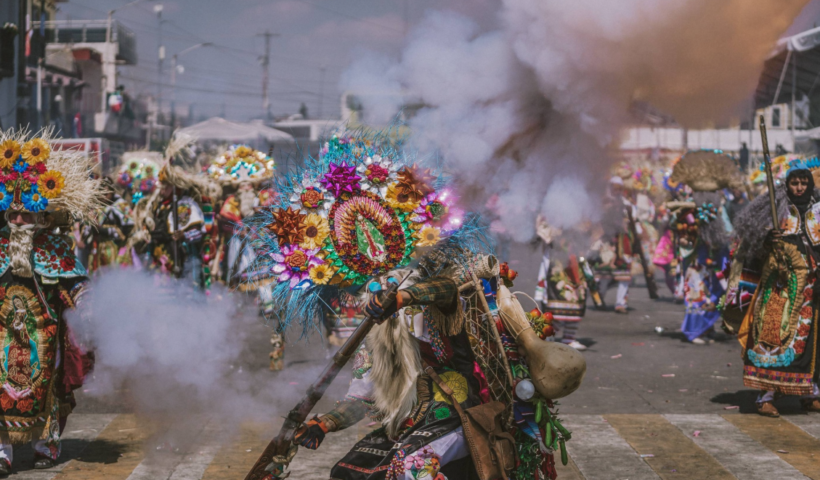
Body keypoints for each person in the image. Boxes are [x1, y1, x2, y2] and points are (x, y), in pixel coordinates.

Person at [0, 131, 101, 473]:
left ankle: (46, 446)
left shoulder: (54, 249)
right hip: (2, 340)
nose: (17, 221)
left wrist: (86, 306)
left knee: (50, 390)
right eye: (12, 214)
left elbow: (77, 283)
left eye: (25, 215)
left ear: (43, 217)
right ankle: (2, 454)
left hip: (45, 339)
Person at [730, 162, 820, 417]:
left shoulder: (818, 209)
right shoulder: (774, 207)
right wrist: (767, 239)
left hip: (813, 288)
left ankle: (809, 392)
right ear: (787, 184)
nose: (800, 187)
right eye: (795, 183)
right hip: (780, 286)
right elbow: (749, 241)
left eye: (804, 183)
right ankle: (765, 396)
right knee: (772, 336)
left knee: (811, 341)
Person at [533, 215, 587, 351]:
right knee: (556, 306)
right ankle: (547, 336)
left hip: (574, 263)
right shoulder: (546, 215)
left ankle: (569, 338)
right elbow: (542, 236)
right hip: (556, 266)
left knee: (577, 301)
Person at [589, 176, 633, 313]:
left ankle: (621, 303)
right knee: (604, 273)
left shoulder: (627, 204)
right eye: (614, 188)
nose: (617, 191)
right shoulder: (603, 203)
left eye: (619, 188)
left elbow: (632, 222)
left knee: (624, 273)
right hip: (606, 240)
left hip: (622, 242)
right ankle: (599, 298)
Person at [80, 178, 134, 274]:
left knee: (115, 276)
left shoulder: (120, 205)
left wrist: (102, 229)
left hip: (115, 248)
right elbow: (85, 230)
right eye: (100, 192)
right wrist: (90, 227)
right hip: (97, 248)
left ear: (112, 191)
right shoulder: (93, 208)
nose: (103, 195)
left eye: (106, 192)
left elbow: (128, 229)